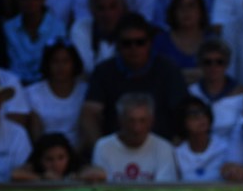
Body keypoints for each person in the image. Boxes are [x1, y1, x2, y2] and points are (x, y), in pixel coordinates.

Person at [80, 13, 189, 146]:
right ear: (118, 45)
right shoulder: (104, 71)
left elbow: (183, 112)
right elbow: (89, 113)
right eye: (127, 43)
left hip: (160, 150)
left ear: (149, 43)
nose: (134, 48)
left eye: (140, 42)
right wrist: (101, 148)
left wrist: (172, 150)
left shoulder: (168, 69)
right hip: (116, 151)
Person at [91, 92, 179, 182]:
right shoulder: (103, 147)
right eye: (131, 121)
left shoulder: (164, 148)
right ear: (120, 120)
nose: (137, 128)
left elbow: (164, 190)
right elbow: (101, 188)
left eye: (142, 121)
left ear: (151, 121)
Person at [3, 0, 68, 86]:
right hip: (15, 87)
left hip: (47, 86)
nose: (29, 0)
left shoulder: (58, 28)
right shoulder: (7, 29)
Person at [152, 0, 213, 86]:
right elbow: (155, 74)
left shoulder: (212, 42)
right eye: (180, 7)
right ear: (174, 12)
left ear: (201, 11)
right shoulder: (160, 42)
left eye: (191, 6)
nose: (186, 11)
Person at [187, 38, 243, 139]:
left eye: (219, 62)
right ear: (200, 64)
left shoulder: (241, 96)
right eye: (207, 62)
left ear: (227, 64)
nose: (213, 66)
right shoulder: (191, 92)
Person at [69, 0, 125, 74]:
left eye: (112, 7)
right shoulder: (81, 28)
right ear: (92, 10)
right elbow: (87, 69)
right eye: (101, 8)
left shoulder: (132, 31)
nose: (107, 14)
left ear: (121, 8)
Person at [11, 131, 107, 181]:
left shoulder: (75, 167)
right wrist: (42, 179)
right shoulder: (35, 169)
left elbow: (100, 173)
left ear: (69, 156)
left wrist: (71, 179)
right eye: (49, 159)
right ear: (39, 160)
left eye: (61, 158)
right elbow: (15, 174)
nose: (56, 164)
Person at [173, 96, 229, 181]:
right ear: (182, 121)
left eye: (204, 112)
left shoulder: (224, 148)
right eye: (193, 114)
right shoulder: (177, 154)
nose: (201, 117)